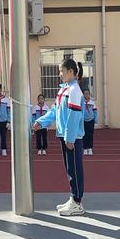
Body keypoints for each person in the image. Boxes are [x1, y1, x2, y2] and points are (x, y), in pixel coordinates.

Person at [33, 59, 85, 217]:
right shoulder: (64, 90)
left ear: (70, 71)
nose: (59, 74)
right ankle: (73, 198)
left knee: (75, 170)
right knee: (70, 169)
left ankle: (77, 202)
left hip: (72, 138)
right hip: (64, 135)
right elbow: (55, 110)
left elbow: (74, 116)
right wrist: (41, 122)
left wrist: (70, 138)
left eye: (61, 71)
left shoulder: (75, 90)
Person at [82, 89, 98, 155]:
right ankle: (85, 148)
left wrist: (96, 121)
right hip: (83, 121)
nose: (86, 95)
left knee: (90, 135)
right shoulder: (81, 102)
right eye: (85, 93)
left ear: (89, 94)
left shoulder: (92, 102)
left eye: (87, 93)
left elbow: (95, 112)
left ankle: (90, 148)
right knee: (84, 135)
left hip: (90, 120)